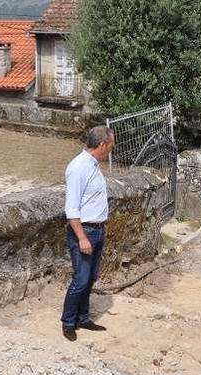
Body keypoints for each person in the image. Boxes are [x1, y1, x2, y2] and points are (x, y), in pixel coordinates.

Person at [61, 126, 115, 341]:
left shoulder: (93, 166)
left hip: (97, 230)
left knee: (91, 277)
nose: (111, 150)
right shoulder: (79, 167)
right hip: (84, 232)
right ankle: (68, 321)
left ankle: (83, 318)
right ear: (102, 145)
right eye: (110, 146)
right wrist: (82, 237)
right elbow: (71, 208)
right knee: (81, 280)